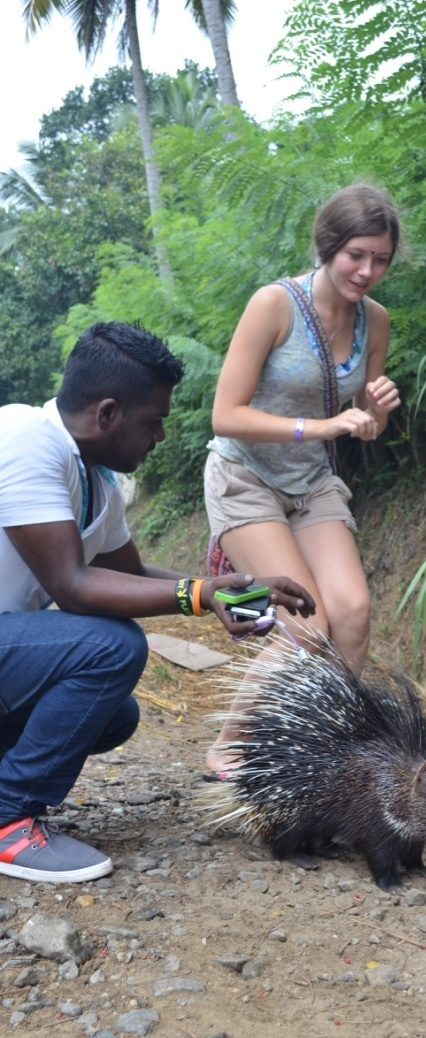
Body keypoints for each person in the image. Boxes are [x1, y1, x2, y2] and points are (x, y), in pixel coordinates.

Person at [0, 321, 315, 884]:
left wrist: (241, 589)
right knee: (112, 647)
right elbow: (74, 585)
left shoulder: (93, 477)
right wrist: (198, 596)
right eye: (154, 421)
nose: (161, 436)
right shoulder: (24, 438)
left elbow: (127, 573)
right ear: (108, 414)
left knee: (112, 716)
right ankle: (7, 817)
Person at [203, 183, 401, 776]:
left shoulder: (376, 322)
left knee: (353, 612)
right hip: (246, 476)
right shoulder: (275, 305)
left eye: (381, 259)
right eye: (356, 255)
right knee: (308, 630)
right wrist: (317, 427)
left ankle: (314, 745)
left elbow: (363, 424)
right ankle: (229, 747)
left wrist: (379, 412)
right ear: (328, 246)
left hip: (311, 484)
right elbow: (225, 414)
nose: (367, 271)